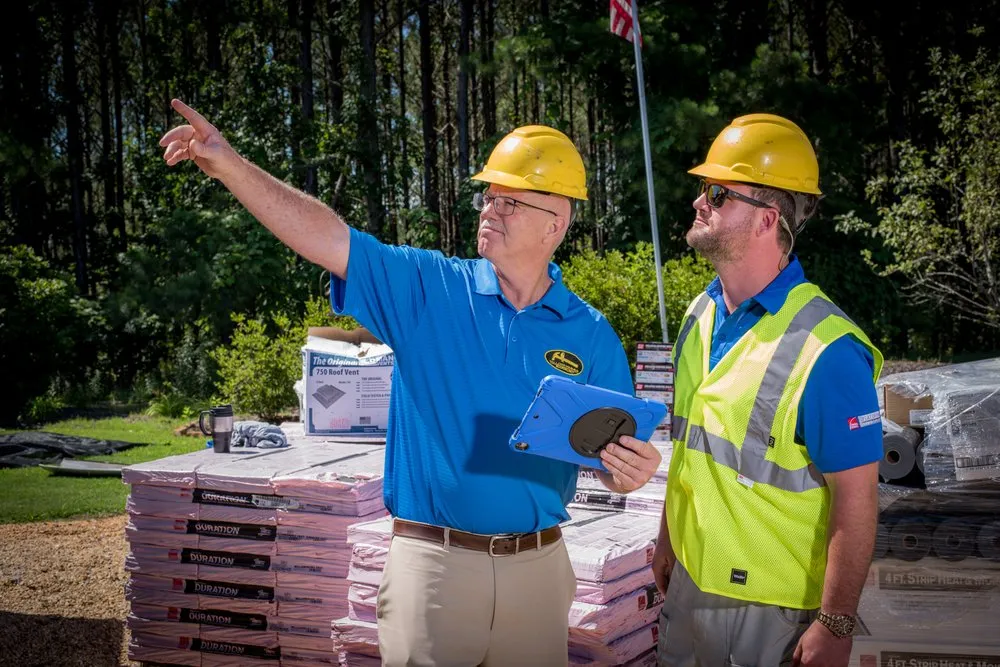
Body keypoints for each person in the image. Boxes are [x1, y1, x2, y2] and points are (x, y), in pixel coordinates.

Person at [160, 100, 663, 667]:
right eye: (488, 197)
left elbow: (609, 457)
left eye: (511, 201)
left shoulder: (591, 333)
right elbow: (329, 237)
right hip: (434, 570)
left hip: (539, 571)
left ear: (557, 222)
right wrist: (230, 164)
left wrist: (629, 472)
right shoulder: (430, 288)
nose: (490, 211)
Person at [652, 114, 883, 667]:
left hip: (771, 613)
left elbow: (858, 502)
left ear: (766, 220)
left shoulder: (828, 350)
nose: (698, 203)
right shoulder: (699, 314)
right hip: (688, 585)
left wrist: (835, 622)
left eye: (717, 193)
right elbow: (690, 450)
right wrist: (667, 539)